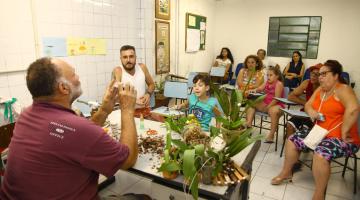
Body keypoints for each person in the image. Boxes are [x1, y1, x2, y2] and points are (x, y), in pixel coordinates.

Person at [0, 57, 151, 200]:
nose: (78, 77)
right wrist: (127, 109)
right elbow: (128, 160)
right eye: (73, 74)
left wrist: (104, 110)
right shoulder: (78, 128)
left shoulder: (26, 115)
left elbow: (75, 137)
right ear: (64, 88)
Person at [271, 60, 360, 200]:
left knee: (321, 153)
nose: (320, 77)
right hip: (320, 133)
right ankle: (286, 173)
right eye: (320, 74)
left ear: (336, 75)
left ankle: (319, 194)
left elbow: (354, 109)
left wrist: (344, 131)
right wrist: (311, 111)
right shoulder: (320, 90)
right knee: (292, 140)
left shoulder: (343, 89)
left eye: (324, 74)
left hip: (343, 138)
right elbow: (307, 105)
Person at [112, 45, 155, 117]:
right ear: (121, 58)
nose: (128, 60)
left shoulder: (142, 67)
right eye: (125, 57)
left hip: (144, 110)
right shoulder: (118, 71)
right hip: (127, 113)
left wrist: (148, 94)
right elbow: (115, 96)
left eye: (131, 56)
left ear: (135, 57)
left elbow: (151, 84)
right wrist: (134, 100)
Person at [246, 66, 284, 142]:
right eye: (267, 75)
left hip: (276, 104)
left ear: (277, 76)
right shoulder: (266, 82)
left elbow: (276, 98)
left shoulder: (279, 84)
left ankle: (271, 135)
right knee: (250, 103)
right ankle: (248, 125)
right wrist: (252, 90)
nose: (268, 77)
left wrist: (268, 107)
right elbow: (259, 89)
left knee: (273, 111)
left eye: (271, 75)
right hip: (266, 103)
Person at [286, 63, 322, 138]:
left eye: (317, 74)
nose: (313, 76)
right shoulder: (306, 83)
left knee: (305, 129)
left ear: (322, 76)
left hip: (316, 114)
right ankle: (289, 147)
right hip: (305, 111)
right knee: (289, 125)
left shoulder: (324, 87)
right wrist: (306, 103)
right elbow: (290, 96)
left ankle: (302, 147)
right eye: (312, 73)